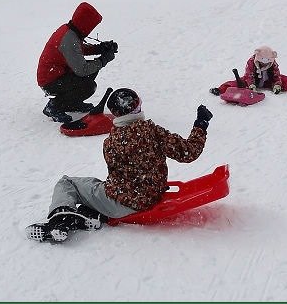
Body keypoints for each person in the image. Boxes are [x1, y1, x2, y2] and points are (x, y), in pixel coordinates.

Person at [26, 88, 212, 242]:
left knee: (67, 183)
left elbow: (117, 177)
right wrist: (200, 124)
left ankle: (61, 219)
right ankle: (91, 215)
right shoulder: (152, 132)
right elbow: (189, 152)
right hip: (151, 195)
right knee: (95, 186)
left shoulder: (112, 140)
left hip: (122, 202)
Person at [36, 2, 118, 127]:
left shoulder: (69, 31)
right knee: (88, 86)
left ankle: (72, 103)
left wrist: (100, 48)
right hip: (50, 81)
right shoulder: (69, 38)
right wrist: (103, 60)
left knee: (90, 73)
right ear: (85, 24)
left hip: (57, 75)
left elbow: (77, 50)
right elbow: (82, 69)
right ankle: (54, 106)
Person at [209, 45, 287, 96]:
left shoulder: (273, 63)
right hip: (252, 82)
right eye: (262, 61)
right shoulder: (251, 62)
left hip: (268, 82)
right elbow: (249, 74)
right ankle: (220, 90)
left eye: (267, 62)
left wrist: (277, 84)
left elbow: (276, 75)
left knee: (285, 79)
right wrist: (251, 85)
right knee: (236, 82)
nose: (264, 63)